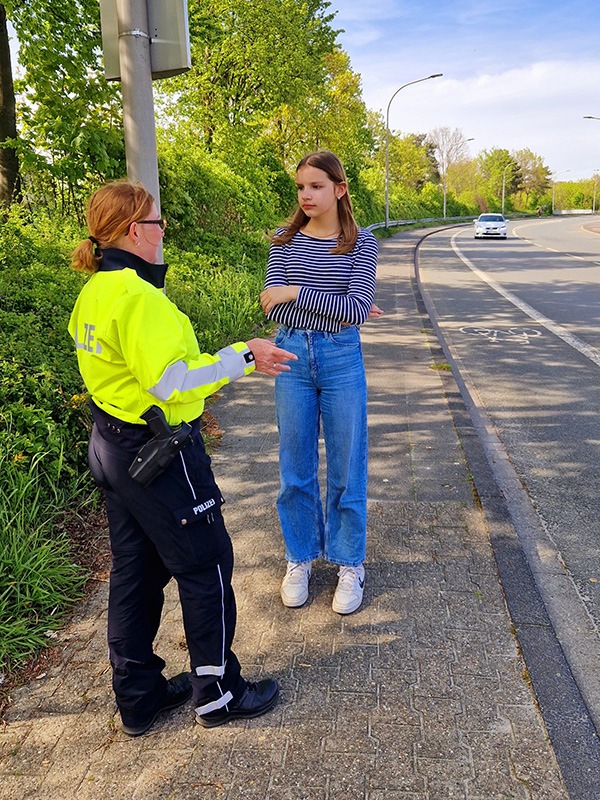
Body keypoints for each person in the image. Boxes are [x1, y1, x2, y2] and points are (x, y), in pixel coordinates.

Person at [68, 179, 296, 736]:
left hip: (112, 445)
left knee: (135, 571)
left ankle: (139, 696)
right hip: (160, 452)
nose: (162, 230)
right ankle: (218, 693)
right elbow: (172, 381)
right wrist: (245, 353)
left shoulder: (94, 291)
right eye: (157, 222)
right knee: (206, 562)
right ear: (132, 231)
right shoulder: (139, 296)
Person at [260, 150, 379, 615]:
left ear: (339, 189)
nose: (306, 195)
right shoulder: (283, 239)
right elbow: (272, 305)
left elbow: (356, 311)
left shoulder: (361, 243)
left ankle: (350, 563)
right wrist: (322, 299)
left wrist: (296, 291)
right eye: (301, 187)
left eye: (316, 186)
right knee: (296, 469)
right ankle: (300, 558)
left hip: (340, 357)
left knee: (348, 467)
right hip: (291, 354)